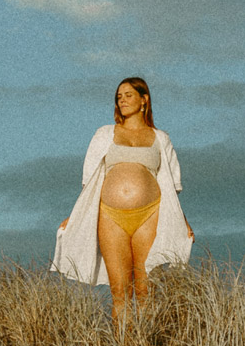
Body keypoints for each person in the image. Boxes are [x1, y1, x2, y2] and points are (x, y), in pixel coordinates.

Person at [51, 77, 193, 329]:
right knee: (120, 291)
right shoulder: (105, 134)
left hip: (150, 215)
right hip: (110, 215)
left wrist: (183, 222)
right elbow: (89, 181)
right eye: (119, 96)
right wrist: (74, 218)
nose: (122, 100)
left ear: (143, 99)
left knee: (145, 289)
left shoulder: (161, 138)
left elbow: (172, 184)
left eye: (128, 95)